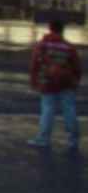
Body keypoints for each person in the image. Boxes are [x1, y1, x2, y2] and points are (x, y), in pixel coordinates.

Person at [28, 18, 82, 151]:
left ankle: (43, 139)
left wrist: (34, 80)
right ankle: (73, 140)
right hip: (66, 82)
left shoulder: (42, 45)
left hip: (48, 82)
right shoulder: (69, 47)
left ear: (50, 29)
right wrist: (75, 81)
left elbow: (35, 64)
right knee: (69, 110)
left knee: (47, 110)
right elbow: (77, 67)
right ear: (62, 30)